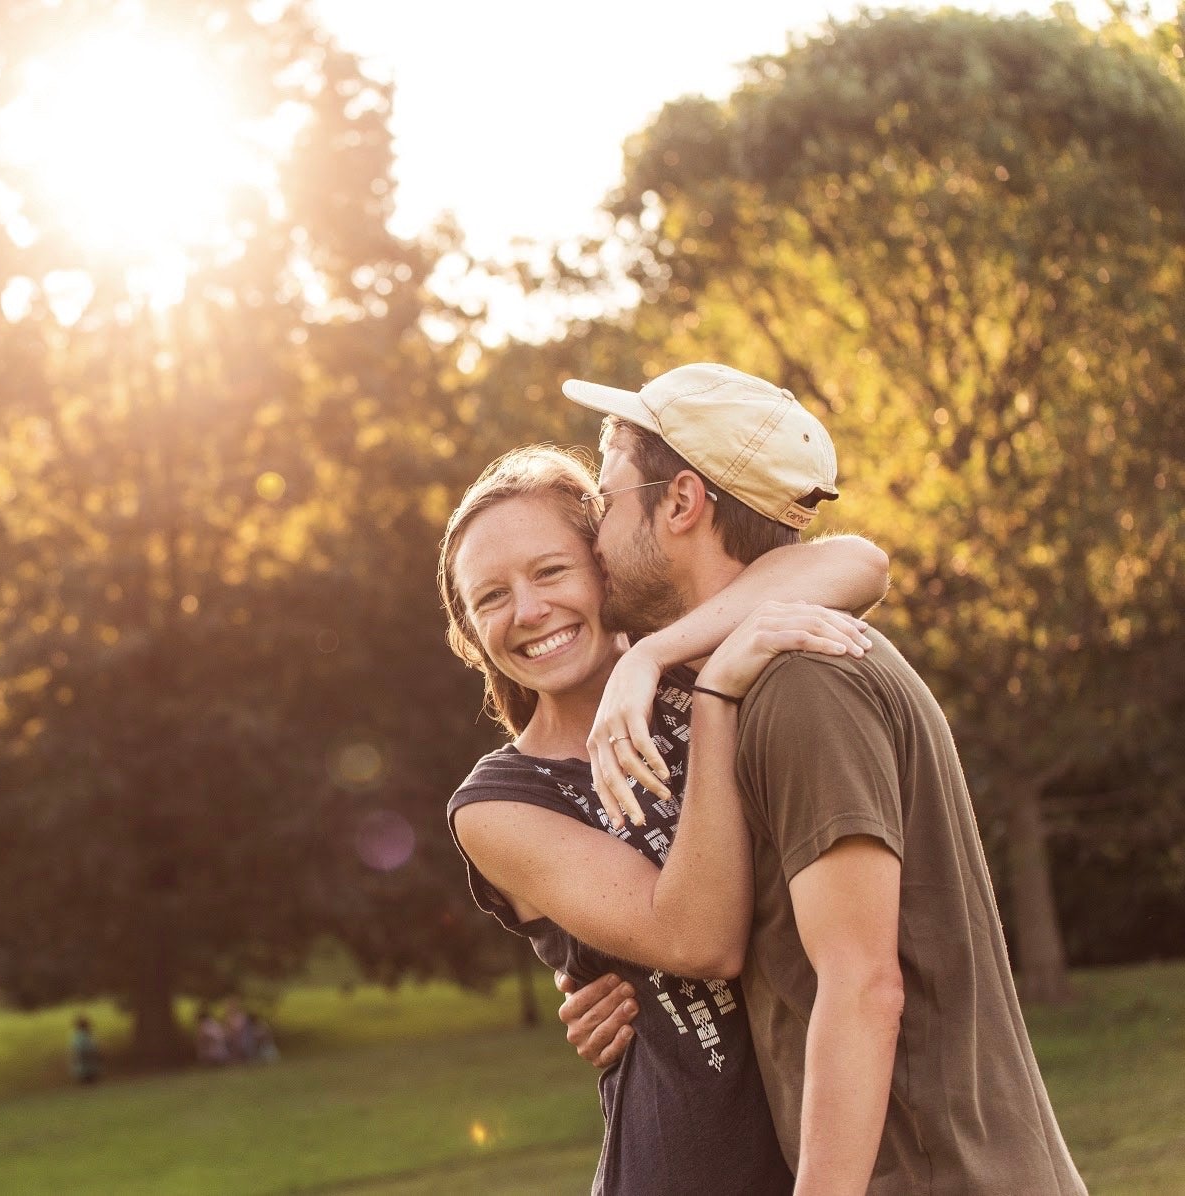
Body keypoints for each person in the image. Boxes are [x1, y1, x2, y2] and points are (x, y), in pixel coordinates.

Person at [559, 362, 1085, 1193]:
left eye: (608, 494)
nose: (593, 529)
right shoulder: (745, 676)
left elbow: (864, 984)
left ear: (683, 502)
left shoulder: (804, 682)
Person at [440, 445, 886, 1194]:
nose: (528, 611)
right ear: (470, 632)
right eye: (490, 598)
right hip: (687, 1166)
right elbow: (699, 939)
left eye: (551, 572)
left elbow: (859, 563)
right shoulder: (499, 804)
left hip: (830, 1138)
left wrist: (661, 658)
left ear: (604, 565)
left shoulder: (703, 646)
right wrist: (716, 700)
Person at [69, 1014, 102, 1084]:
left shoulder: (82, 1035)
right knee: (87, 1078)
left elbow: (93, 1047)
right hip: (84, 1061)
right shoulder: (80, 1036)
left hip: (88, 1062)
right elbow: (79, 1049)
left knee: (90, 1078)